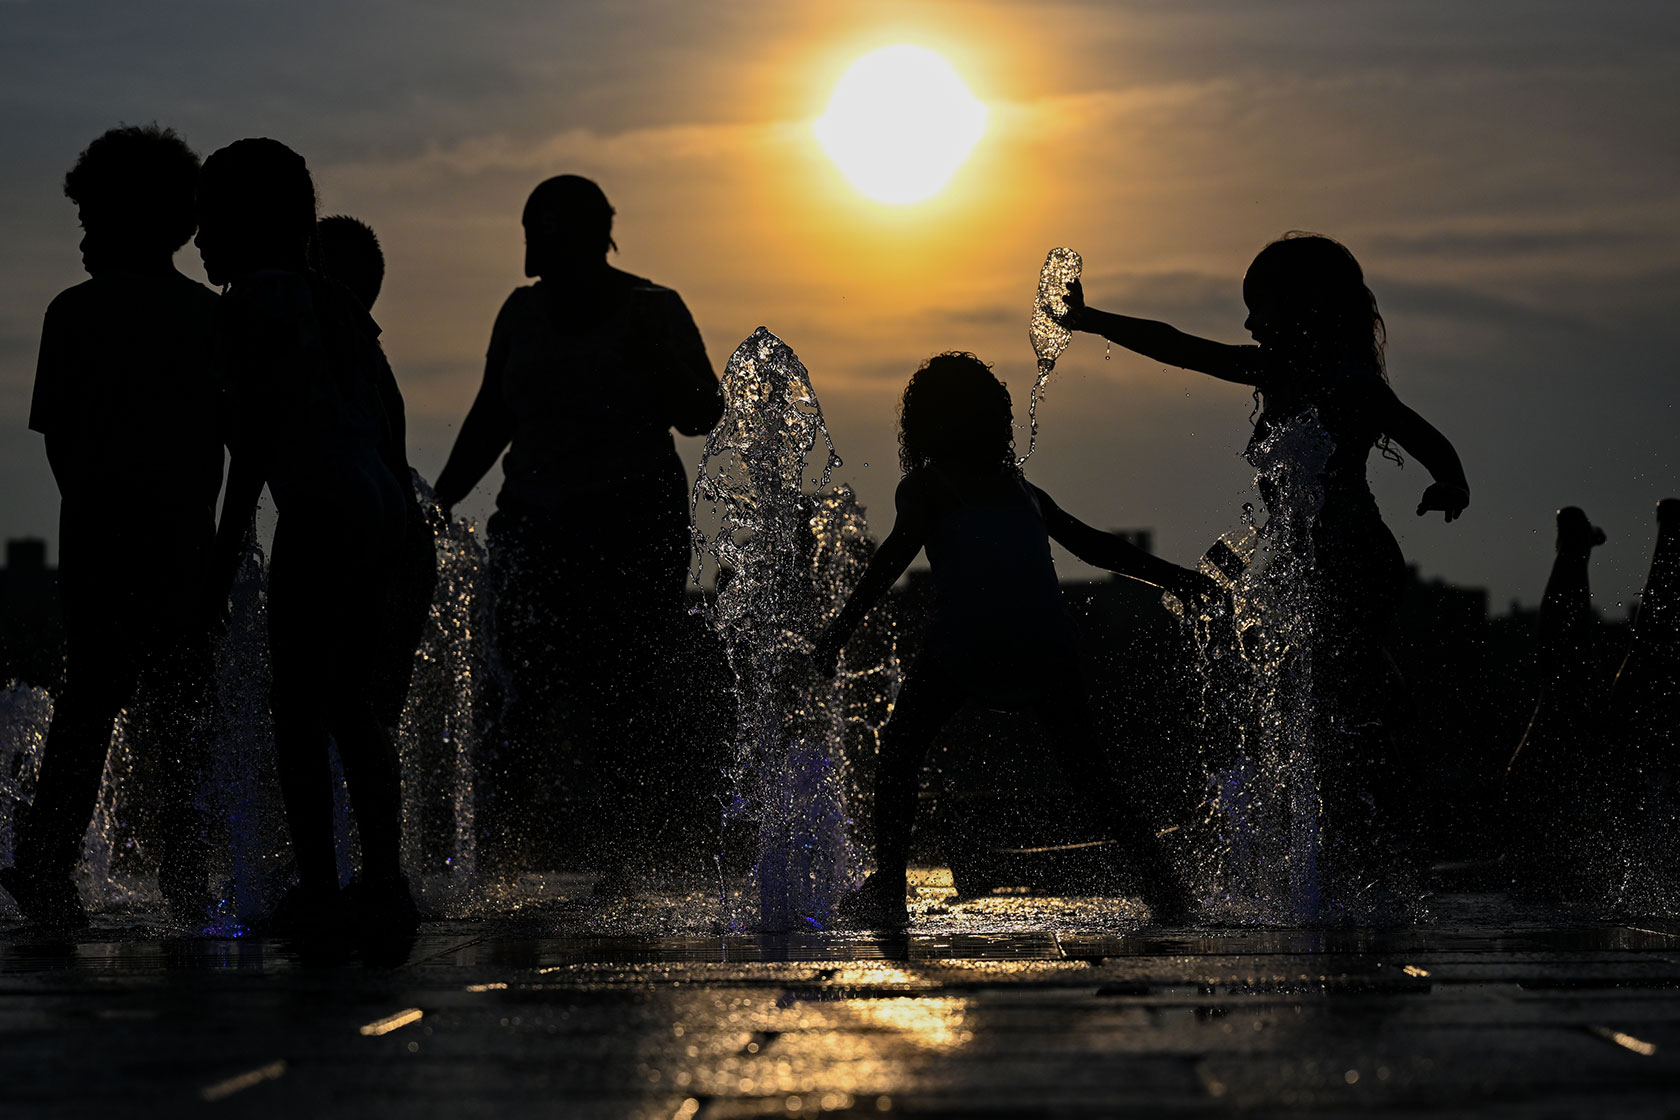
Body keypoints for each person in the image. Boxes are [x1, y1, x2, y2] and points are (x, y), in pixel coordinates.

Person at [1058, 232, 1469, 888]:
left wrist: (1449, 482)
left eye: (1260, 307)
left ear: (1305, 308)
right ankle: (1349, 840)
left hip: (1353, 562)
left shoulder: (1351, 383)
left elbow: (1427, 439)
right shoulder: (1279, 373)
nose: (1249, 323)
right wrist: (1089, 320)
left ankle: (1365, 843)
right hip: (1314, 567)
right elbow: (1180, 348)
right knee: (1324, 705)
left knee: (1331, 705)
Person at [812, 352, 1215, 927]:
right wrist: (1180, 579)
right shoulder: (1021, 490)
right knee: (1092, 777)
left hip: (968, 645)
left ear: (923, 424)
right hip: (1045, 647)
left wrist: (838, 631)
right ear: (995, 421)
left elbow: (891, 560)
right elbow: (1095, 546)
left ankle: (889, 891)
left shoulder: (928, 487)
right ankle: (1167, 889)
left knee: (900, 753)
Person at [432, 175, 726, 878]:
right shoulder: (520, 313)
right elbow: (491, 416)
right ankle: (501, 857)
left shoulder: (652, 308)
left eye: (548, 229)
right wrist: (438, 499)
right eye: (530, 228)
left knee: (624, 692)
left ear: (594, 237)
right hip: (535, 523)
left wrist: (658, 362)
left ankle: (630, 857)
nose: (534, 244)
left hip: (632, 524)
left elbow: (703, 413)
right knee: (519, 688)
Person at [198, 138, 421, 939]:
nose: (197, 239)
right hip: (379, 505)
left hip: (320, 509)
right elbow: (387, 419)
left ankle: (322, 888)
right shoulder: (335, 301)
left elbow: (252, 441)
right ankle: (386, 879)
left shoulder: (251, 304)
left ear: (243, 222)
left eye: (207, 219)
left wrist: (223, 555)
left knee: (297, 709)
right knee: (354, 705)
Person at [2, 125, 221, 932]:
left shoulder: (75, 315)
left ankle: (47, 865)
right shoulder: (206, 318)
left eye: (92, 220)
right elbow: (224, 447)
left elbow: (62, 443)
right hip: (184, 546)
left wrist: (95, 510)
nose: (85, 239)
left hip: (99, 538)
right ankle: (192, 879)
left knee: (89, 706)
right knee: (180, 720)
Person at [315, 212, 435, 732]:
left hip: (376, 550)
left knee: (349, 718)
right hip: (394, 545)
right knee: (359, 721)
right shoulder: (362, 356)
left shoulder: (341, 359)